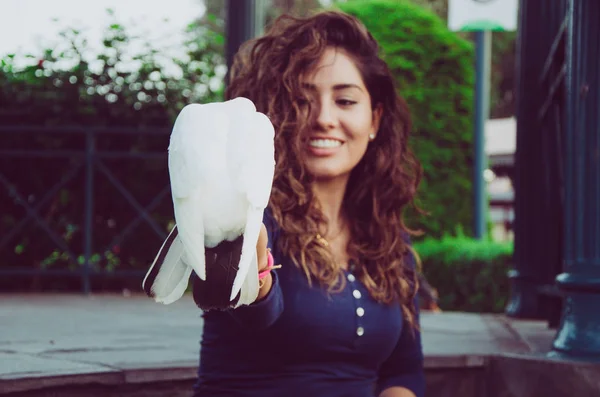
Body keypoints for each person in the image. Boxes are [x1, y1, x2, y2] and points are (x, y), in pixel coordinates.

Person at [192, 10, 425, 397]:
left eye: (346, 100)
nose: (323, 119)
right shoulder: (249, 213)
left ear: (375, 120)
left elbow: (405, 372)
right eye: (301, 100)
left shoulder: (388, 237)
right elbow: (254, 313)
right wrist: (258, 279)